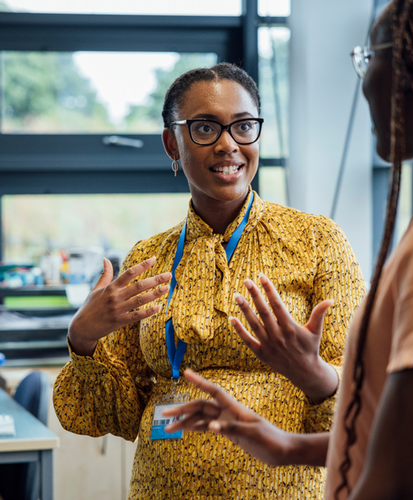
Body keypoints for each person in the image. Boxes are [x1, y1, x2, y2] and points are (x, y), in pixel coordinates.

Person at [163, 1, 413, 499]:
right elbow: (401, 437)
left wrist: (313, 377)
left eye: (368, 57)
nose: (363, 82)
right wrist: (285, 447)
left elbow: (401, 481)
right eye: (206, 128)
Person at [52, 62, 366, 499]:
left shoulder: (316, 241)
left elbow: (364, 413)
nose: (227, 145)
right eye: (204, 128)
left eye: (243, 127)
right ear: (171, 144)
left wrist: (316, 374)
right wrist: (82, 339)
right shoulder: (148, 258)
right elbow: (116, 416)